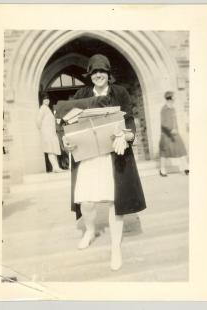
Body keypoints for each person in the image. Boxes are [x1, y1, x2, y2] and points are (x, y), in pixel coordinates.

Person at [59, 54, 146, 271]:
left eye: (103, 72)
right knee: (86, 200)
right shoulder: (82, 94)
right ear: (90, 75)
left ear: (108, 74)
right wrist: (66, 140)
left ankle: (115, 247)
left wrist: (124, 136)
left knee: (114, 201)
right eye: (95, 72)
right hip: (89, 155)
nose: (99, 75)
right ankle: (89, 230)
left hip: (113, 156)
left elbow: (129, 121)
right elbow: (66, 122)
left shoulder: (120, 93)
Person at [159, 91, 189, 177]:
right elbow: (163, 123)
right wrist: (171, 130)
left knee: (181, 149)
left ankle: (186, 168)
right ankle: (162, 170)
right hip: (166, 134)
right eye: (173, 97)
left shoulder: (173, 109)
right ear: (170, 98)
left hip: (175, 133)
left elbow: (175, 122)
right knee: (164, 152)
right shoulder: (164, 109)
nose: (175, 98)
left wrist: (176, 130)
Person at [37, 94, 63, 173]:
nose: (47, 101)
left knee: (53, 150)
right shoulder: (43, 108)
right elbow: (38, 121)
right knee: (50, 150)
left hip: (51, 133)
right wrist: (43, 130)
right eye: (45, 99)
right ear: (42, 101)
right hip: (47, 133)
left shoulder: (47, 109)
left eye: (48, 99)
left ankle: (55, 167)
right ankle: (55, 167)